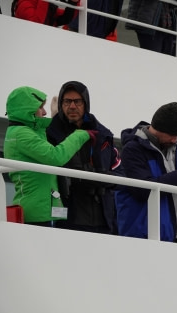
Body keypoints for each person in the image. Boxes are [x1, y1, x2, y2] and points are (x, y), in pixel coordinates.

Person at [115, 102, 177, 243]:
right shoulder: (132, 150)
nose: (175, 139)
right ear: (158, 128)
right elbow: (143, 190)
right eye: (172, 134)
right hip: (144, 237)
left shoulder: (176, 151)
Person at [4, 86, 91, 227]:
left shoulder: (21, 132)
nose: (44, 112)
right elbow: (55, 156)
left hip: (42, 208)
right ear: (27, 110)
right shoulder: (21, 134)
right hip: (36, 213)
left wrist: (56, 117)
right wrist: (81, 134)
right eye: (40, 108)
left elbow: (43, 131)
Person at [46, 81, 121, 234]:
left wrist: (105, 178)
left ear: (85, 103)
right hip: (68, 217)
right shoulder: (52, 135)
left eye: (77, 101)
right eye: (67, 101)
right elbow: (62, 171)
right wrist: (99, 178)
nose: (72, 106)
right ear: (61, 104)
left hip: (105, 219)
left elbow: (122, 173)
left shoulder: (103, 134)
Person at [12, 0, 79, 27]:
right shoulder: (23, 4)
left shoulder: (44, 4)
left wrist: (73, 2)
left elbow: (65, 18)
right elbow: (37, 25)